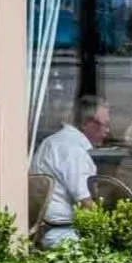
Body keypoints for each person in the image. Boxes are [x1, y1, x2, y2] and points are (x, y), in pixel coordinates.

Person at [30, 94, 107, 245]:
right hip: (63, 234)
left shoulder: (53, 141)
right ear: (88, 123)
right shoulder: (73, 150)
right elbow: (86, 203)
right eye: (104, 125)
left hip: (46, 231)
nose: (108, 131)